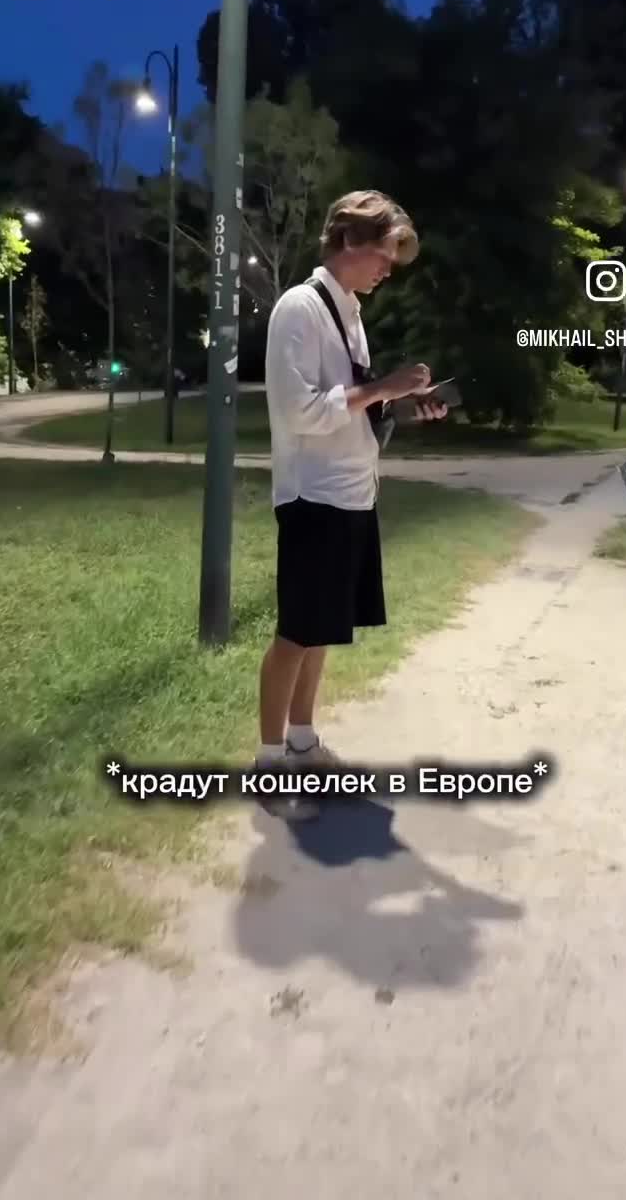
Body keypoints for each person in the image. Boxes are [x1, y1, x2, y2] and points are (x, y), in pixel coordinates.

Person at [256, 189, 448, 820]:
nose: (388, 270)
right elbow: (301, 411)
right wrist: (381, 386)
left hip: (350, 491)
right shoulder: (300, 308)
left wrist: (400, 403)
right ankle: (268, 767)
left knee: (322, 630)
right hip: (312, 493)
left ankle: (303, 744)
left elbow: (353, 402)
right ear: (347, 241)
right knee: (296, 632)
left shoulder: (349, 312)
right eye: (383, 255)